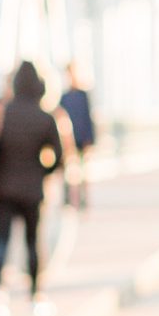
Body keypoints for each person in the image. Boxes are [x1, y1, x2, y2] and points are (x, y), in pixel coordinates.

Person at [0, 59, 65, 316]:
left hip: (2, 189)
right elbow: (60, 158)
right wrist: (42, 172)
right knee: (32, 242)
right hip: (32, 190)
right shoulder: (45, 118)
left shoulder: (2, 113)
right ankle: (35, 295)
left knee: (2, 241)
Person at [58, 63, 97, 210]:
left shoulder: (83, 95)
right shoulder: (64, 97)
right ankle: (68, 199)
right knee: (69, 172)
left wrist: (90, 141)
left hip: (82, 138)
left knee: (83, 172)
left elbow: (88, 118)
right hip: (69, 141)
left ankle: (83, 200)